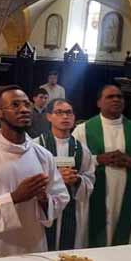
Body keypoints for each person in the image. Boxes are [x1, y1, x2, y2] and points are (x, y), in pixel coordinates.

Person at [0, 85, 69, 261]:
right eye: (15, 105)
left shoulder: (43, 155)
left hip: (33, 246)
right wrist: (14, 198)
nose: (24, 109)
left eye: (27, 104)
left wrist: (43, 199)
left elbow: (61, 198)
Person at [73, 85, 131, 246]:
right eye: (110, 97)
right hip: (95, 194)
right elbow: (73, 161)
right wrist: (98, 160)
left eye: (120, 97)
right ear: (99, 103)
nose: (116, 99)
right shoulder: (83, 130)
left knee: (125, 240)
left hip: (128, 193)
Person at [36, 99, 95, 250]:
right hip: (43, 209)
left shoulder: (82, 150)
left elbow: (90, 179)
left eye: (69, 113)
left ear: (74, 117)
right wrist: (56, 179)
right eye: (59, 112)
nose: (65, 117)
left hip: (72, 210)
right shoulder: (36, 146)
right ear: (49, 116)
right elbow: (26, 177)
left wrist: (77, 180)